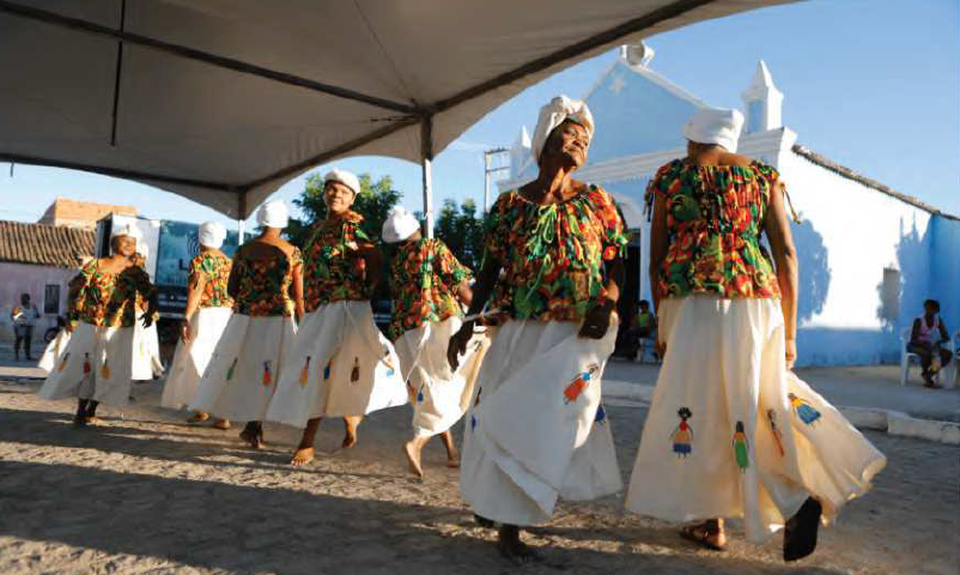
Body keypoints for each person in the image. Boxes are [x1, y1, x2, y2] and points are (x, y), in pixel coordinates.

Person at [625, 108, 886, 561]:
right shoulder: (763, 175)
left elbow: (657, 258)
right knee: (756, 404)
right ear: (728, 140)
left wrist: (664, 319)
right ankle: (737, 514)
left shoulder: (670, 177)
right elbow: (786, 253)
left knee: (702, 409)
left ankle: (754, 510)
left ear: (691, 140)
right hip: (757, 300)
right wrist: (788, 330)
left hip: (695, 304)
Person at [448, 96, 626, 562]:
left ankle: (512, 507)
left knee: (555, 421)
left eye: (587, 136)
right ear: (547, 138)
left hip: (573, 335)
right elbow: (488, 270)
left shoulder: (597, 201)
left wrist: (608, 300)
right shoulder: (511, 204)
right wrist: (467, 325)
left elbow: (616, 261)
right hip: (520, 329)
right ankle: (507, 519)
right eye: (572, 132)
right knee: (505, 416)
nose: (582, 140)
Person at [266, 169, 407, 466]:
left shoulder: (351, 226)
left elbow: (375, 257)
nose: (336, 195)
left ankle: (307, 441)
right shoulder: (317, 228)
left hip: (345, 306)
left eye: (343, 192)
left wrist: (370, 288)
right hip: (321, 307)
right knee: (328, 365)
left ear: (352, 198)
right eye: (332, 189)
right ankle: (351, 418)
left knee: (319, 365)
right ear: (324, 193)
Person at [382, 206, 487, 478]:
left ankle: (452, 452)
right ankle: (416, 443)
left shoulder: (396, 264)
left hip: (405, 334)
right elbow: (461, 287)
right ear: (416, 227)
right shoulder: (432, 247)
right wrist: (480, 314)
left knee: (432, 391)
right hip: (439, 324)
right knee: (452, 386)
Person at [190, 201, 304, 449]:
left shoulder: (243, 250)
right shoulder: (293, 252)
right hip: (278, 319)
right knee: (271, 372)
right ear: (283, 223)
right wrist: (303, 320)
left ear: (261, 221)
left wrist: (250, 296)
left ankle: (253, 426)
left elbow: (232, 288)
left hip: (245, 318)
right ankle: (254, 425)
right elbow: (299, 293)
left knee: (245, 368)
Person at [37, 225, 158, 426]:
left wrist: (150, 311)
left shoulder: (136, 272)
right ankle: (80, 410)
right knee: (85, 366)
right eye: (125, 239)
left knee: (108, 368)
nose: (130, 244)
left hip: (119, 329)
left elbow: (150, 293)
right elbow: (74, 290)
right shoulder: (95, 265)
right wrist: (71, 318)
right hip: (89, 323)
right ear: (113, 242)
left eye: (133, 242)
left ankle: (91, 410)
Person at [161, 222, 234, 428]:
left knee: (198, 360)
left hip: (206, 316)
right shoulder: (230, 262)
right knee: (221, 361)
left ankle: (201, 408)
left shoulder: (200, 260)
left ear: (201, 238)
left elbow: (196, 289)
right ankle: (222, 415)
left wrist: (186, 318)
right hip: (227, 316)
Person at [130, 251, 164, 381]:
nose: (137, 260)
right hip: (136, 314)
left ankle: (146, 370)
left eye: (139, 257)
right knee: (141, 345)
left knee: (144, 344)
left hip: (140, 314)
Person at [908, 299, 951, 388]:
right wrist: (926, 345)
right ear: (925, 308)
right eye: (927, 308)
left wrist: (939, 342)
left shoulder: (938, 320)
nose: (929, 311)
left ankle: (929, 374)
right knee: (929, 353)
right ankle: (926, 376)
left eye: (932, 309)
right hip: (914, 345)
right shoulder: (919, 320)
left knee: (947, 354)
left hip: (929, 346)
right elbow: (913, 340)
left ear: (936, 310)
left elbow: (946, 337)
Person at [11, 293, 41, 361]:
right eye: (21, 298)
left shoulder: (33, 306)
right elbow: (12, 316)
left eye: (23, 298)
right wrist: (20, 320)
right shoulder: (18, 307)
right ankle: (16, 355)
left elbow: (37, 314)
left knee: (28, 341)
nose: (21, 300)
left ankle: (28, 356)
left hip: (29, 326)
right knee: (19, 340)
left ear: (28, 299)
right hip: (20, 326)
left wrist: (38, 315)